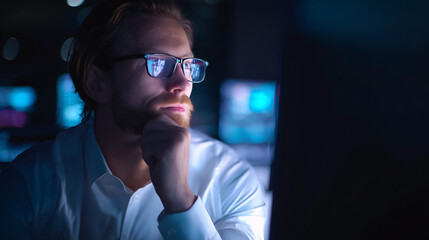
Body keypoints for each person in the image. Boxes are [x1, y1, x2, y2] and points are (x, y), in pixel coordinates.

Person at [0, 0, 266, 239]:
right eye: (159, 63)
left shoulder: (231, 179)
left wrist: (180, 201)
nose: (183, 83)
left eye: (188, 65)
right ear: (97, 83)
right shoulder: (27, 184)